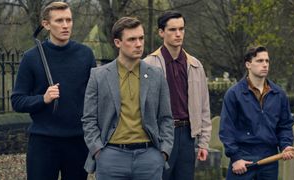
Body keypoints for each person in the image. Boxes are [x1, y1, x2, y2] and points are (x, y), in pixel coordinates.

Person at [11, 2, 96, 180]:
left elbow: (94, 98)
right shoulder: (31, 57)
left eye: (69, 20)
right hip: (43, 142)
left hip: (77, 141)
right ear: (46, 24)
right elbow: (17, 101)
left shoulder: (85, 54)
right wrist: (43, 98)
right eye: (59, 21)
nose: (65, 25)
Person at [81, 17, 174, 180]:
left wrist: (163, 152)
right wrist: (98, 151)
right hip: (111, 157)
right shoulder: (98, 76)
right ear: (118, 42)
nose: (139, 44)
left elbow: (166, 117)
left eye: (141, 38)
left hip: (149, 158)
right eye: (132, 39)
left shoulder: (156, 75)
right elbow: (89, 119)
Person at [144, 11, 212, 180]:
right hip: (161, 134)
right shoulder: (147, 65)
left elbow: (204, 107)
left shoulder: (195, 65)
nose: (178, 34)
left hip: (187, 135)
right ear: (161, 32)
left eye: (181, 29)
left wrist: (204, 142)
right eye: (173, 29)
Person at [219, 46, 294, 180]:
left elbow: (284, 126)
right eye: (259, 61)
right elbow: (227, 130)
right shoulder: (234, 94)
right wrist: (236, 158)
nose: (265, 65)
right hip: (243, 160)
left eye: (267, 61)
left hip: (269, 160)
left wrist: (286, 145)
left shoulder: (279, 94)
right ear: (248, 64)